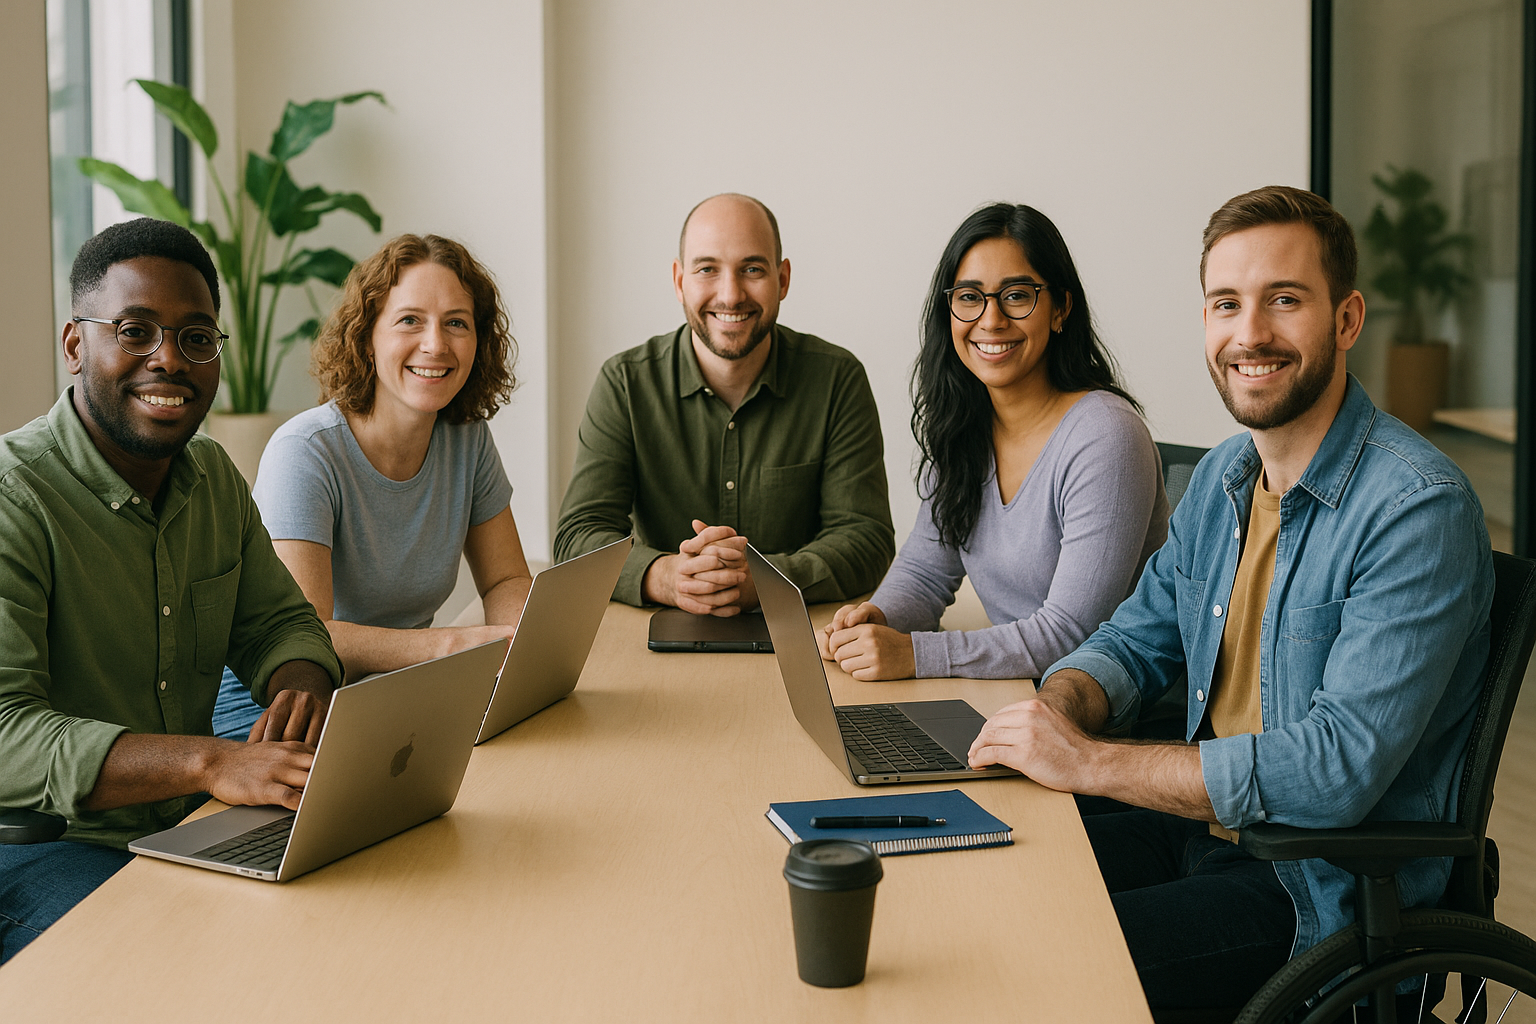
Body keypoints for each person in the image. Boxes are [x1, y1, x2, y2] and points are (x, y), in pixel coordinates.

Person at [965, 186, 1494, 1010]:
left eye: (1284, 300)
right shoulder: (1222, 479)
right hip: (1202, 830)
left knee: (1045, 964)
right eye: (1226, 304)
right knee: (982, 882)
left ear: (1347, 319)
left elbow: (1336, 769)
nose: (1250, 334)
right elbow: (1135, 641)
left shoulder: (1416, 509)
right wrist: (1059, 709)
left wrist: (1092, 762)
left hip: (1320, 890)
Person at [0, 218, 343, 963]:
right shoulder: (13, 499)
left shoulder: (212, 477)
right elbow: (4, 734)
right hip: (43, 845)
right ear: (74, 345)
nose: (169, 359)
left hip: (188, 824)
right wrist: (209, 761)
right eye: (134, 331)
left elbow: (281, 625)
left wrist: (301, 691)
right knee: (181, 963)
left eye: (195, 337)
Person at [817, 203, 1168, 680]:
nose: (991, 319)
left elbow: (1071, 634)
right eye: (969, 297)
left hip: (1108, 707)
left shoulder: (1106, 435)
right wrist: (873, 620)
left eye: (1017, 295)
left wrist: (916, 654)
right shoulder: (965, 428)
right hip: (1015, 693)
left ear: (1061, 309)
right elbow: (923, 576)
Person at [212, 235, 533, 739]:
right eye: (410, 320)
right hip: (275, 713)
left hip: (390, 693)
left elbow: (506, 579)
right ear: (367, 338)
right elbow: (303, 634)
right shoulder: (306, 450)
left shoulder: (467, 439)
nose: (436, 344)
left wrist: (517, 649)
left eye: (456, 323)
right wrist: (449, 647)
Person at [552, 193, 895, 614]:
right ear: (679, 280)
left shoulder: (837, 379)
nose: (731, 295)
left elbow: (866, 538)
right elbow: (578, 536)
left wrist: (763, 581)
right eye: (707, 269)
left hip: (802, 631)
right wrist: (665, 576)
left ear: (783, 279)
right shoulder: (625, 383)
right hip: (653, 628)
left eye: (752, 269)